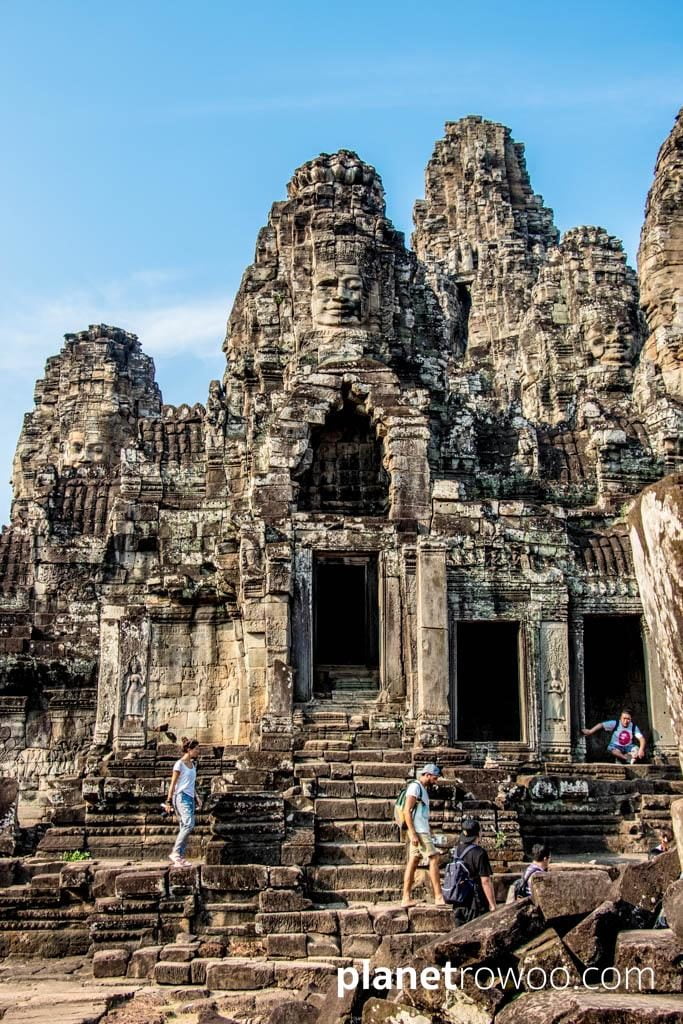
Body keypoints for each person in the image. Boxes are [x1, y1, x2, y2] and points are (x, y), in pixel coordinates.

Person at [401, 763, 446, 909]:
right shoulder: (415, 787)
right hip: (418, 831)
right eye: (434, 777)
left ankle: (406, 898)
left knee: (413, 861)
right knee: (434, 858)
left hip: (422, 830)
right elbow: (407, 811)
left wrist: (429, 830)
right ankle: (438, 896)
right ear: (427, 775)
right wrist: (413, 833)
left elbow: (421, 814)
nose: (436, 780)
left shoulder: (422, 789)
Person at [452, 818, 497, 924]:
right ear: (479, 834)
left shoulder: (456, 851)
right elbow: (485, 881)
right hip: (475, 903)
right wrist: (493, 905)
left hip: (458, 901)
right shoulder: (480, 853)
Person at [165, 737, 201, 866]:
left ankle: (179, 857)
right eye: (196, 749)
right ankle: (175, 853)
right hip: (180, 797)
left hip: (190, 797)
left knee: (184, 827)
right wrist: (168, 801)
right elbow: (173, 784)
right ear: (189, 750)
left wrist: (197, 797)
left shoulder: (193, 765)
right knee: (188, 825)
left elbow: (191, 783)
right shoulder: (179, 764)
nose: (198, 751)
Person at [582, 708, 646, 763]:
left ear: (631, 719)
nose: (626, 721)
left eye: (628, 719)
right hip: (616, 746)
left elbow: (641, 738)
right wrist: (590, 731)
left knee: (637, 749)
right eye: (624, 718)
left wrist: (641, 749)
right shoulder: (616, 723)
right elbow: (601, 725)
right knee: (612, 749)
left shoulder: (633, 727)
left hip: (628, 747)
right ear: (620, 718)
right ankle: (626, 758)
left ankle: (629, 756)